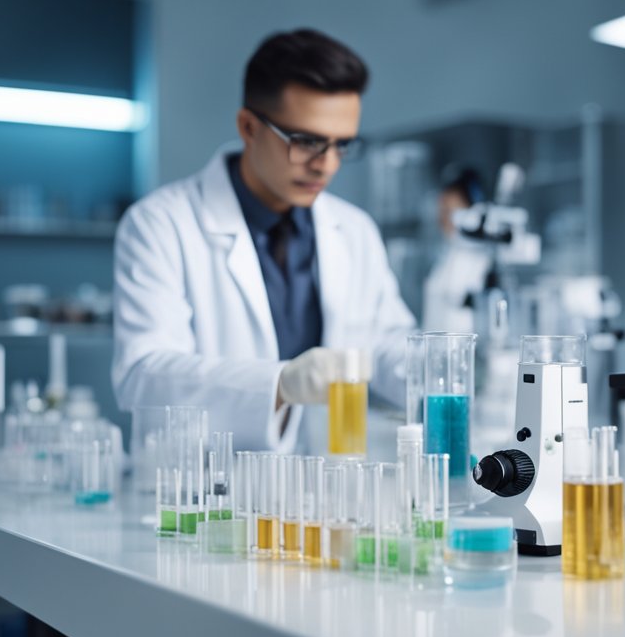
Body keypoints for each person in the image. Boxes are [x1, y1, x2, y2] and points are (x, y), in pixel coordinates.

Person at [113, 29, 415, 450]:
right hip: (210, 492)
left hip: (329, 484)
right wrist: (279, 383)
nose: (325, 165)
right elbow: (142, 376)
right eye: (306, 141)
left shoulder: (355, 230)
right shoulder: (160, 224)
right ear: (249, 127)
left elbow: (383, 342)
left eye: (342, 145)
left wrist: (439, 375)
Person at [421, 165, 492, 333]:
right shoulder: (447, 255)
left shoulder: (482, 259)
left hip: (465, 351)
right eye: (441, 210)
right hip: (435, 351)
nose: (443, 218)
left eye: (450, 211)